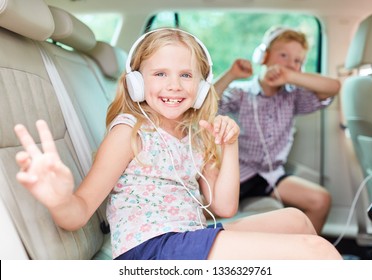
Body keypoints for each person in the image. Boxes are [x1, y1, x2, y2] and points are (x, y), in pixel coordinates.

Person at [14, 28, 342, 260]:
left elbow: (224, 207)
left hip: (186, 240)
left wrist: (230, 143)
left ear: (202, 87)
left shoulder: (194, 133)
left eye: (186, 75)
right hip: (151, 251)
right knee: (319, 252)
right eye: (160, 74)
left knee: (297, 219)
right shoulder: (129, 133)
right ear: (138, 82)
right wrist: (59, 201)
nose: (174, 85)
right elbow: (78, 212)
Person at [214, 26, 341, 234]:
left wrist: (290, 76)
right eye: (283, 55)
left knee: (321, 200)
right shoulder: (242, 93)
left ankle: (303, 255)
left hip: (271, 175)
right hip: (239, 174)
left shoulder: (293, 96)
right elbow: (207, 103)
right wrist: (231, 74)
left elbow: (333, 87)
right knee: (206, 209)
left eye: (297, 61)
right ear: (264, 56)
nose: (290, 64)